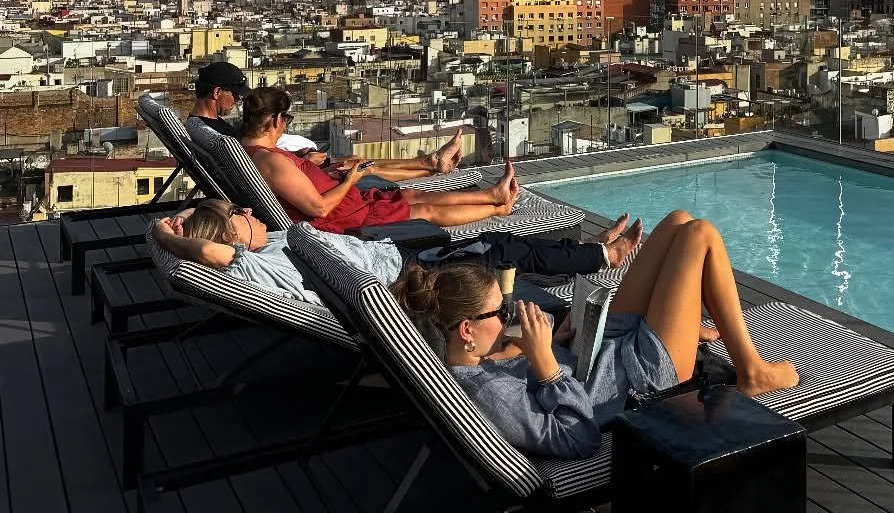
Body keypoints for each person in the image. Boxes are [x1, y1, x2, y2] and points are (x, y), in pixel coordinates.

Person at [393, 209, 799, 460]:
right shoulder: (489, 398)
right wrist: (549, 367)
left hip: (601, 349)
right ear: (467, 329)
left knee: (676, 222)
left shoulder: (468, 360)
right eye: (499, 312)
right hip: (640, 372)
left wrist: (555, 342)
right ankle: (751, 370)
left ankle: (686, 321)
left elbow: (510, 368)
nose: (510, 313)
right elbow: (580, 438)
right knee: (700, 234)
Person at [149, 199, 643, 306]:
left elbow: (216, 233)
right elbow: (214, 253)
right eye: (238, 213)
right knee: (503, 247)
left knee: (496, 244)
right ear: (231, 237)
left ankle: (590, 250)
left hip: (394, 258)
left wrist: (177, 223)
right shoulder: (252, 260)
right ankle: (605, 258)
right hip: (410, 283)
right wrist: (171, 236)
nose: (247, 211)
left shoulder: (273, 242)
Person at [240, 86, 529, 233]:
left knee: (410, 194)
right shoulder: (269, 160)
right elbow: (320, 208)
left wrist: (308, 162)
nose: (286, 125)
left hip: (351, 205)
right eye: (286, 119)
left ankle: (492, 194)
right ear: (276, 119)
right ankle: (496, 210)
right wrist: (353, 178)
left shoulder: (258, 153)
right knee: (423, 211)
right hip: (348, 219)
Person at [187, 61, 457, 183]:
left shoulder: (200, 126)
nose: (236, 101)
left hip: (272, 170)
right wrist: (298, 160)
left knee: (353, 159)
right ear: (216, 93)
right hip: (279, 177)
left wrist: (297, 155)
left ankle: (430, 164)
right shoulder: (211, 130)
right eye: (234, 94)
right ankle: (431, 165)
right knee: (357, 166)